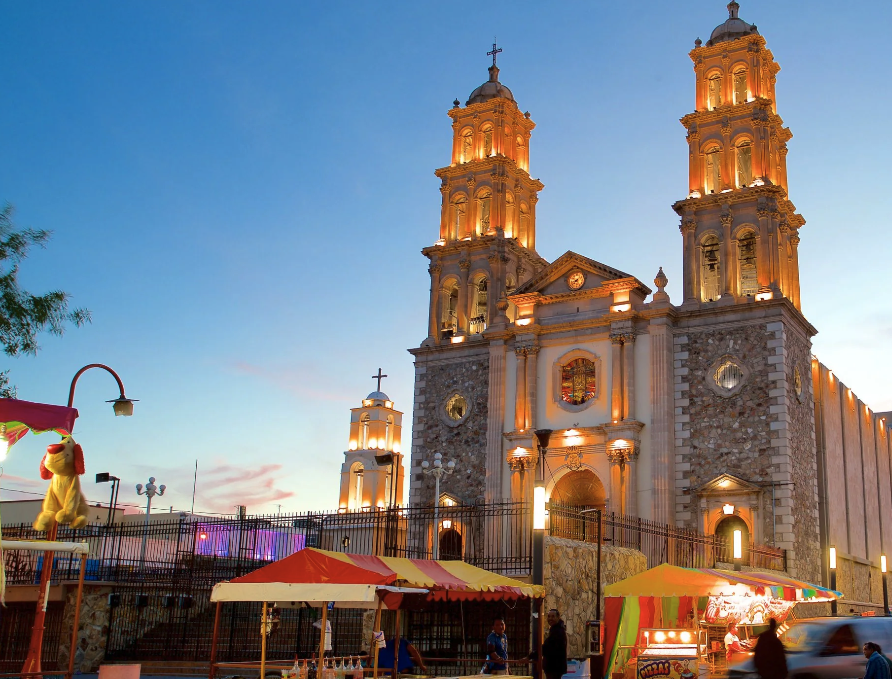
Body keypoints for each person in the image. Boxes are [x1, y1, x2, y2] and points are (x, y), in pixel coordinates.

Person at [542, 609, 568, 679]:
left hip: (554, 668)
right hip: (555, 668)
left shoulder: (557, 632)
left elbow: (547, 647)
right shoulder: (557, 630)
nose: (550, 618)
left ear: (558, 617)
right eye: (549, 616)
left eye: (553, 616)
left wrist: (531, 656)